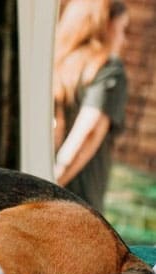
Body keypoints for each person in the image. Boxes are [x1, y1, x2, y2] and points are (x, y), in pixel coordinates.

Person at [53, 0, 129, 212]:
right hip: (79, 207)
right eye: (123, 29)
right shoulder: (109, 70)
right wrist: (52, 180)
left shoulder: (58, 65)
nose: (124, 41)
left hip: (43, 200)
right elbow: (89, 132)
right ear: (105, 25)